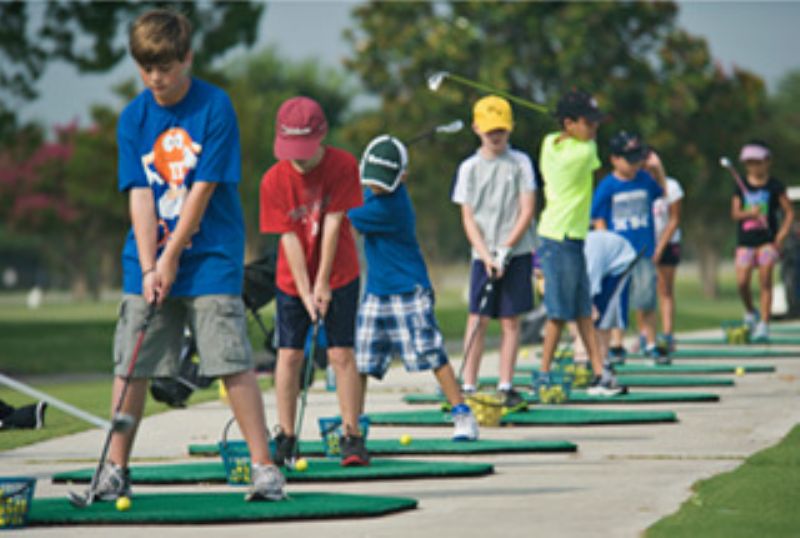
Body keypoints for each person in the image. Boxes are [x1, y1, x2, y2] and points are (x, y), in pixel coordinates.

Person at [108, 9, 283, 502]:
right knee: (132, 363)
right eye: (146, 68)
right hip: (145, 258)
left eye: (165, 67)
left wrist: (170, 258)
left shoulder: (215, 106)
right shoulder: (134, 117)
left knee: (229, 359)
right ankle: (115, 470)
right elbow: (140, 195)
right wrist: (149, 264)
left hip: (210, 256)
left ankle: (264, 467)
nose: (155, 78)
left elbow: (201, 190)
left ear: (187, 58)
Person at [260, 96, 369, 466]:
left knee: (341, 353)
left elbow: (335, 224)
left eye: (304, 149)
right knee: (289, 355)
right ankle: (287, 437)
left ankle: (352, 435)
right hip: (291, 279)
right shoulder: (274, 180)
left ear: (321, 136)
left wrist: (322, 284)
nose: (298, 157)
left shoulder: (343, 165)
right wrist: (306, 290)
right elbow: (288, 238)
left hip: (340, 272)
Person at [349, 134, 479, 441]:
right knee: (360, 361)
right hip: (376, 292)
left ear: (402, 178)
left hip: (409, 291)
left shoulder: (390, 207)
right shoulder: (370, 192)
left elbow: (345, 218)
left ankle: (462, 415)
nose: (375, 186)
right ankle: (352, 425)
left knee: (432, 354)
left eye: (381, 181)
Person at [451, 95, 536, 411]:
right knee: (478, 318)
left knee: (511, 320)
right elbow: (467, 217)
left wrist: (505, 250)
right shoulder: (469, 168)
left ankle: (505, 384)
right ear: (476, 128)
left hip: (517, 251)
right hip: (482, 254)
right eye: (490, 130)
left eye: (501, 129)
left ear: (510, 128)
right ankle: (469, 384)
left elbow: (527, 209)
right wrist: (487, 255)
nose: (496, 135)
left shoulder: (520, 163)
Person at [536, 89, 623, 396]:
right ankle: (543, 375)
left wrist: (569, 125)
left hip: (569, 238)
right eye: (589, 122)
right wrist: (575, 130)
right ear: (570, 123)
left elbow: (558, 137)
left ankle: (600, 373)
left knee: (584, 309)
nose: (595, 128)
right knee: (559, 314)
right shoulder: (584, 153)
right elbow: (589, 150)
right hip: (559, 238)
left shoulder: (549, 144)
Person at [591, 131, 667, 365]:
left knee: (646, 299)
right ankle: (616, 345)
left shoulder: (645, 179)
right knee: (617, 302)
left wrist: (658, 169)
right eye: (629, 159)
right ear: (614, 159)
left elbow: (662, 192)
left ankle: (651, 342)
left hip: (643, 250)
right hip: (618, 256)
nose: (635, 164)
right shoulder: (607, 185)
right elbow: (598, 217)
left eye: (637, 158)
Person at [731, 140, 794, 341]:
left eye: (757, 162)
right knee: (742, 282)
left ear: (767, 162)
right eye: (749, 162)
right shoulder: (741, 185)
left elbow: (789, 213)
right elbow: (735, 213)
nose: (753, 166)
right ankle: (751, 311)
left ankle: (764, 325)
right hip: (746, 241)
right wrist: (750, 213)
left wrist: (781, 236)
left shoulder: (775, 186)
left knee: (765, 280)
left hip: (768, 241)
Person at [649, 151, 684, 351]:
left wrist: (660, 248)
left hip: (669, 242)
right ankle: (647, 335)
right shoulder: (640, 184)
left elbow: (674, 219)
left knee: (665, 289)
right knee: (644, 292)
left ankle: (668, 334)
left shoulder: (671, 186)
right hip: (646, 242)